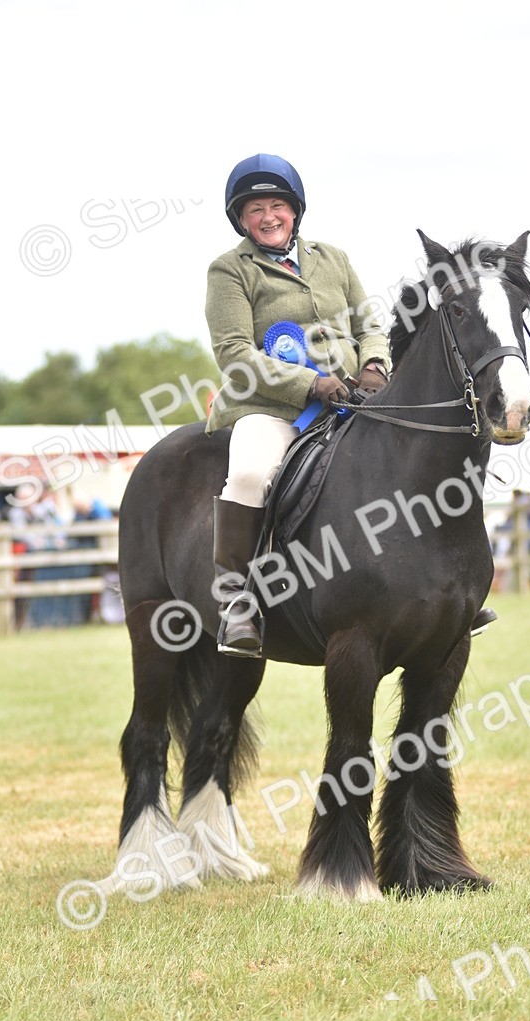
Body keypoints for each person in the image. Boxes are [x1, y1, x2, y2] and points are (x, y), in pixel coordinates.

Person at [204, 154, 390, 656]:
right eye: (255, 209)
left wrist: (375, 365)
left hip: (355, 398)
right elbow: (234, 353)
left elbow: (369, 325)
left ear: (295, 211)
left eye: (277, 206)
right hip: (271, 407)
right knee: (248, 476)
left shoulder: (334, 259)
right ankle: (236, 603)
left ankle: (442, 589)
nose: (268, 217)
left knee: (414, 454)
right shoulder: (229, 270)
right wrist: (310, 383)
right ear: (241, 219)